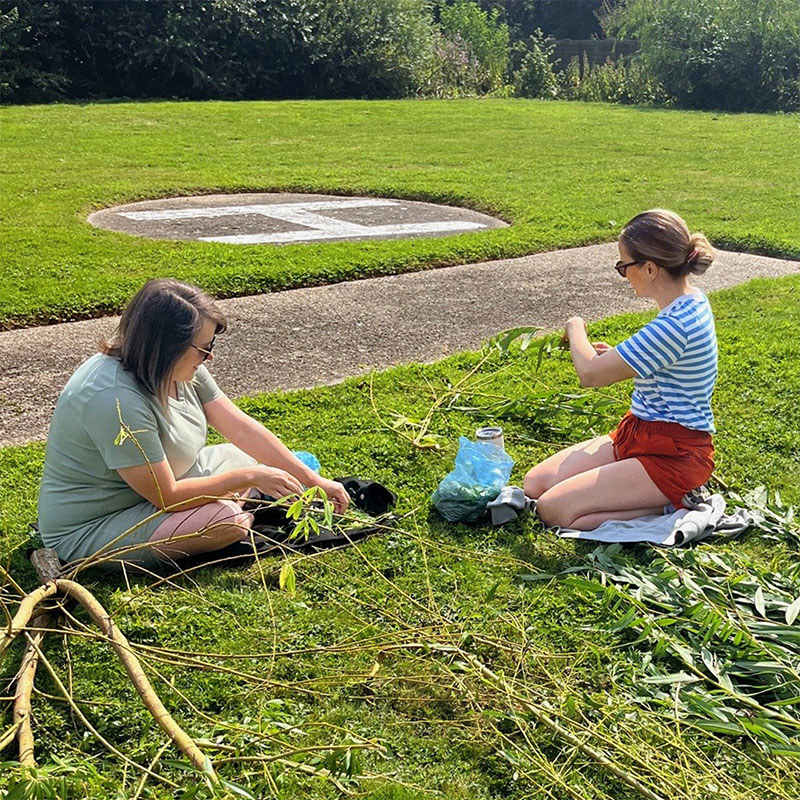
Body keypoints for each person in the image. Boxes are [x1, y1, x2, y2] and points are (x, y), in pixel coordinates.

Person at [37, 278, 350, 569]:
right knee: (226, 520)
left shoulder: (175, 365)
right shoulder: (113, 400)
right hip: (99, 524)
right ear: (166, 346)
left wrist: (311, 479)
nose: (209, 357)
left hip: (159, 490)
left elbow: (240, 427)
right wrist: (249, 477)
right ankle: (239, 515)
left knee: (241, 456)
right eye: (204, 348)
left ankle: (243, 505)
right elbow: (167, 496)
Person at [524, 209, 717, 531]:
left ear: (651, 268)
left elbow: (591, 375)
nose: (623, 274)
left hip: (674, 454)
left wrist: (575, 328)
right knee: (535, 484)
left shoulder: (674, 325)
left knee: (552, 510)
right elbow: (668, 362)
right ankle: (649, 495)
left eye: (623, 266)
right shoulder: (691, 300)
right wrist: (617, 355)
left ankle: (673, 500)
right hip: (639, 433)